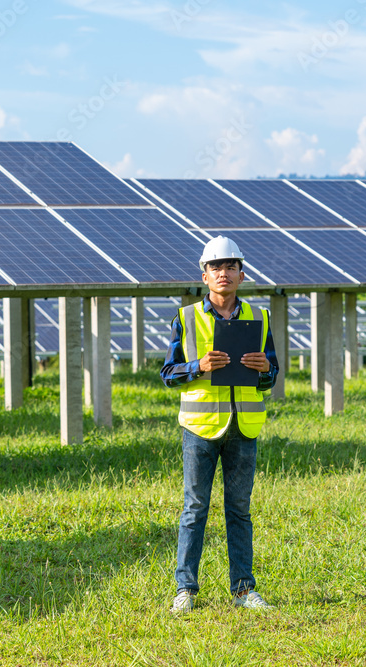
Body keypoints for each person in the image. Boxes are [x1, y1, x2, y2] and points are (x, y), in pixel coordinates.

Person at [160, 236, 279, 614]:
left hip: (244, 426)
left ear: (242, 274)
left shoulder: (259, 318)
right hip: (199, 427)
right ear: (204, 275)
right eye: (216, 267)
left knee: (239, 510)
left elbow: (270, 373)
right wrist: (199, 367)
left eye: (230, 267)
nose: (223, 273)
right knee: (195, 508)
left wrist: (266, 371)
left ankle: (244, 589)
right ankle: (186, 590)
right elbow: (167, 373)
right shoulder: (185, 317)